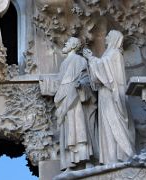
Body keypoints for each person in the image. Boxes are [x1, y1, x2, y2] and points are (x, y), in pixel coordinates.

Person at [83, 30, 135, 164]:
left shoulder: (114, 53)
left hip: (112, 94)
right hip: (106, 93)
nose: (105, 38)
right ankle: (110, 157)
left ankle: (121, 155)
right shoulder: (110, 53)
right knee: (107, 124)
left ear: (114, 39)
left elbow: (105, 72)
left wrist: (91, 58)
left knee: (113, 122)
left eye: (109, 36)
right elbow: (101, 71)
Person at [54, 37, 96, 171]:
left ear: (73, 45)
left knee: (79, 129)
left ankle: (85, 159)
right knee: (67, 131)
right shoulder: (63, 64)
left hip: (75, 97)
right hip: (64, 97)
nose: (65, 43)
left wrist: (81, 85)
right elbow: (60, 83)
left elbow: (86, 79)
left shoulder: (80, 60)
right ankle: (69, 163)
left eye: (67, 42)